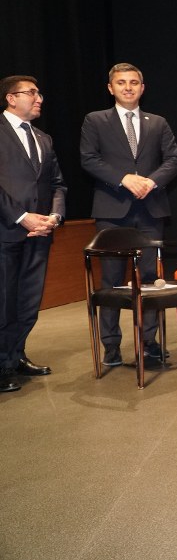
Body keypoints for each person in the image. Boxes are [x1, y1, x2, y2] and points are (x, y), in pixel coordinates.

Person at [80, 63, 177, 367]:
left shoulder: (158, 122)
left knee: (150, 279)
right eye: (121, 82)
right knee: (111, 280)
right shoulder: (95, 120)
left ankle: (149, 341)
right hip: (112, 211)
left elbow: (173, 161)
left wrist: (151, 181)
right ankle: (111, 345)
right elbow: (88, 159)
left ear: (142, 88)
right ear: (110, 88)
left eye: (134, 82)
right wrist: (123, 179)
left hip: (151, 210)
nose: (128, 87)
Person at [0, 75, 66, 393]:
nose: (39, 98)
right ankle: (1, 364)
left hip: (40, 233)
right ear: (11, 98)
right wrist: (21, 216)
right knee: (4, 301)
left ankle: (15, 356)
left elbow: (57, 184)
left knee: (28, 301)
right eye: (32, 93)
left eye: (39, 93)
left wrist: (54, 215)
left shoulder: (43, 138)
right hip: (6, 231)